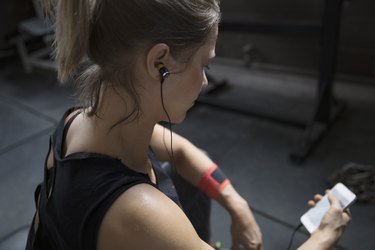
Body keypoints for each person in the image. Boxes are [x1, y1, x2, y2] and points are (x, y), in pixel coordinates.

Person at [26, 0, 350, 249]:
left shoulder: (80, 121)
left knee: (186, 168)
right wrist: (324, 236)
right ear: (159, 63)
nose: (206, 81)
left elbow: (181, 151)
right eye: (204, 63)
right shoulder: (139, 211)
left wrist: (235, 204)